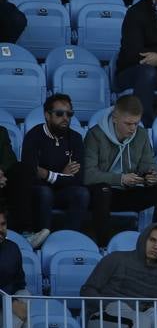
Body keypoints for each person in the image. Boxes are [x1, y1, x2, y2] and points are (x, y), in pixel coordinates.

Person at [83, 95, 157, 244]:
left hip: (128, 191)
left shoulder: (141, 134)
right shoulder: (95, 135)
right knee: (103, 190)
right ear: (115, 118)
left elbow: (149, 164)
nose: (133, 129)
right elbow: (88, 175)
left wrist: (151, 176)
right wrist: (120, 179)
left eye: (136, 124)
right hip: (102, 195)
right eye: (128, 124)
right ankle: (104, 245)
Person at [20, 92, 89, 236]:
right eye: (59, 114)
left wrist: (47, 174)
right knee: (45, 192)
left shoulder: (75, 138)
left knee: (81, 193)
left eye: (69, 114)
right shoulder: (33, 136)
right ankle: (40, 235)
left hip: (62, 192)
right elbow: (31, 173)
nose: (65, 118)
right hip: (39, 191)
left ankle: (70, 236)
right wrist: (63, 175)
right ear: (47, 115)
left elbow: (78, 179)